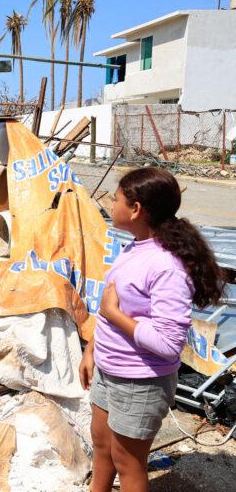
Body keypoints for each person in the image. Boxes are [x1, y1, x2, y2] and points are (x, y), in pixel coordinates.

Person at [79, 167, 225, 492]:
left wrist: (114, 315)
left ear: (135, 209)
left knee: (128, 464)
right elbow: (111, 312)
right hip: (109, 370)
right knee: (102, 448)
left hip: (140, 382)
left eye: (115, 199)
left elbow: (168, 343)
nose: (111, 204)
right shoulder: (133, 247)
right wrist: (92, 349)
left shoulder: (166, 267)